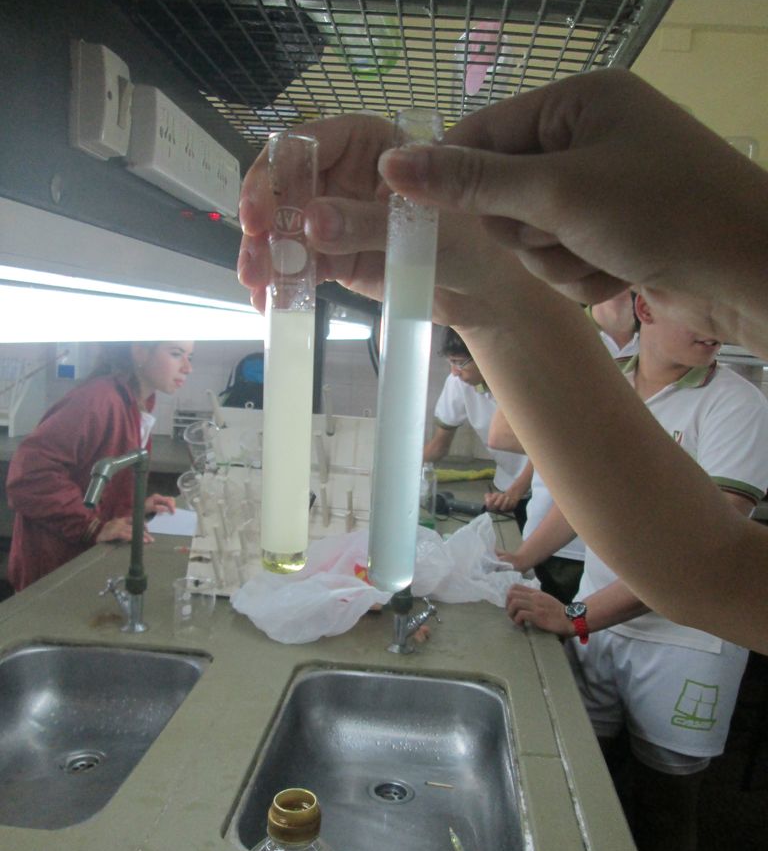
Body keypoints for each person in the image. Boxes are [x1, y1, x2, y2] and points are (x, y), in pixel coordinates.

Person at [237, 68, 768, 653]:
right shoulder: (633, 365)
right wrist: (489, 288)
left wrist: (740, 241)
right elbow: (707, 567)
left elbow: (717, 574)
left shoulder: (738, 403)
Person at [506, 294, 768, 851]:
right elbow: (583, 498)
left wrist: (576, 616)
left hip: (685, 640)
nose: (716, 330)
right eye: (701, 312)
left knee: (665, 804)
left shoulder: (738, 406)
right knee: (585, 781)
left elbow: (698, 556)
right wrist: (518, 558)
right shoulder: (611, 385)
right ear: (645, 307)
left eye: (722, 316)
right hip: (600, 622)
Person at [6, 341, 194, 592]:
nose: (187, 367)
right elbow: (29, 476)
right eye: (176, 354)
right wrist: (91, 526)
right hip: (55, 567)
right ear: (139, 351)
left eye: (190, 356)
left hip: (80, 557)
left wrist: (135, 507)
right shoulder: (98, 400)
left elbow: (95, 480)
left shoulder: (138, 400)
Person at [491, 292, 639, 602]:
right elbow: (502, 433)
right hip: (554, 540)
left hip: (625, 549)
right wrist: (602, 449)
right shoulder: (557, 333)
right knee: (564, 624)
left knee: (583, 624)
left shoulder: (657, 345)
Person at [424, 327, 531, 525]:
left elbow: (548, 452)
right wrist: (403, 468)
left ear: (485, 355)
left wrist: (516, 492)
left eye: (459, 363)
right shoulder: (458, 383)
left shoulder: (524, 382)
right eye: (450, 362)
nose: (454, 371)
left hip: (549, 482)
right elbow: (439, 445)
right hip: (509, 480)